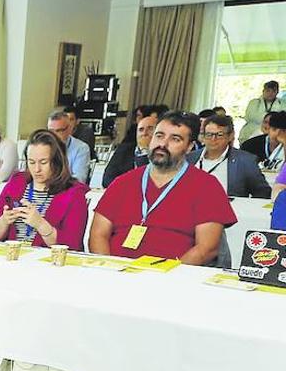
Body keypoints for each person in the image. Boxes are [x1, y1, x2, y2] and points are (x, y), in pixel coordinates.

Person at [90, 111, 236, 264]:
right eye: (159, 136)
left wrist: (166, 276)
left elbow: (207, 248)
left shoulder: (207, 187)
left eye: (175, 139)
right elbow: (98, 235)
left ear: (189, 147)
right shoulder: (123, 182)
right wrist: (107, 268)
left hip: (172, 278)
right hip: (114, 275)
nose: (163, 144)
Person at [0, 129, 89, 250]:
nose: (36, 169)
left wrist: (40, 224)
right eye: (31, 162)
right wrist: (4, 221)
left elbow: (73, 246)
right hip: (12, 258)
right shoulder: (17, 183)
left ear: (57, 162)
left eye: (43, 162)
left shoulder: (74, 193)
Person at [187, 114, 271, 198]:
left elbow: (263, 193)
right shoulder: (189, 159)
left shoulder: (245, 161)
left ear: (230, 136)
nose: (213, 139)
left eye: (219, 135)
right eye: (209, 134)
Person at [103, 107, 160, 188]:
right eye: (141, 129)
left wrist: (144, 151)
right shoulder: (123, 150)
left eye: (150, 128)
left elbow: (149, 181)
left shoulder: (163, 154)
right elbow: (106, 179)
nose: (144, 133)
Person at [47, 107, 91, 184]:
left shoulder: (81, 148)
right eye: (50, 131)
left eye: (58, 131)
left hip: (66, 190)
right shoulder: (42, 146)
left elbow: (79, 179)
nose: (53, 135)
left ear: (69, 129)